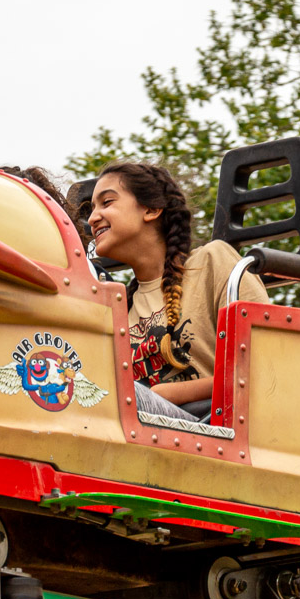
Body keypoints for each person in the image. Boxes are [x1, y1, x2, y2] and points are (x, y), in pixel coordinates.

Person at [86, 162, 268, 422]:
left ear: (151, 209)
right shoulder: (118, 306)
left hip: (214, 429)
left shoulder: (212, 262)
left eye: (107, 202)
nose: (93, 218)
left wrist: (166, 394)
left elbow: (267, 366)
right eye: (92, 209)